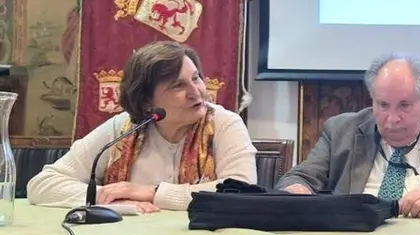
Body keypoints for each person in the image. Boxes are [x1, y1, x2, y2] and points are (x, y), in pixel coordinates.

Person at [27, 41, 257, 212]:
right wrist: (112, 198)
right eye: (178, 85)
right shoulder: (123, 127)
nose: (196, 92)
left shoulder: (223, 123)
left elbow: (242, 192)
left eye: (196, 78)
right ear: (147, 101)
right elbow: (42, 185)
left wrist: (150, 193)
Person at [276, 53, 420, 217]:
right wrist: (296, 190)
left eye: (404, 105)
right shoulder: (340, 132)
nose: (392, 119)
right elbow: (299, 177)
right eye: (383, 105)